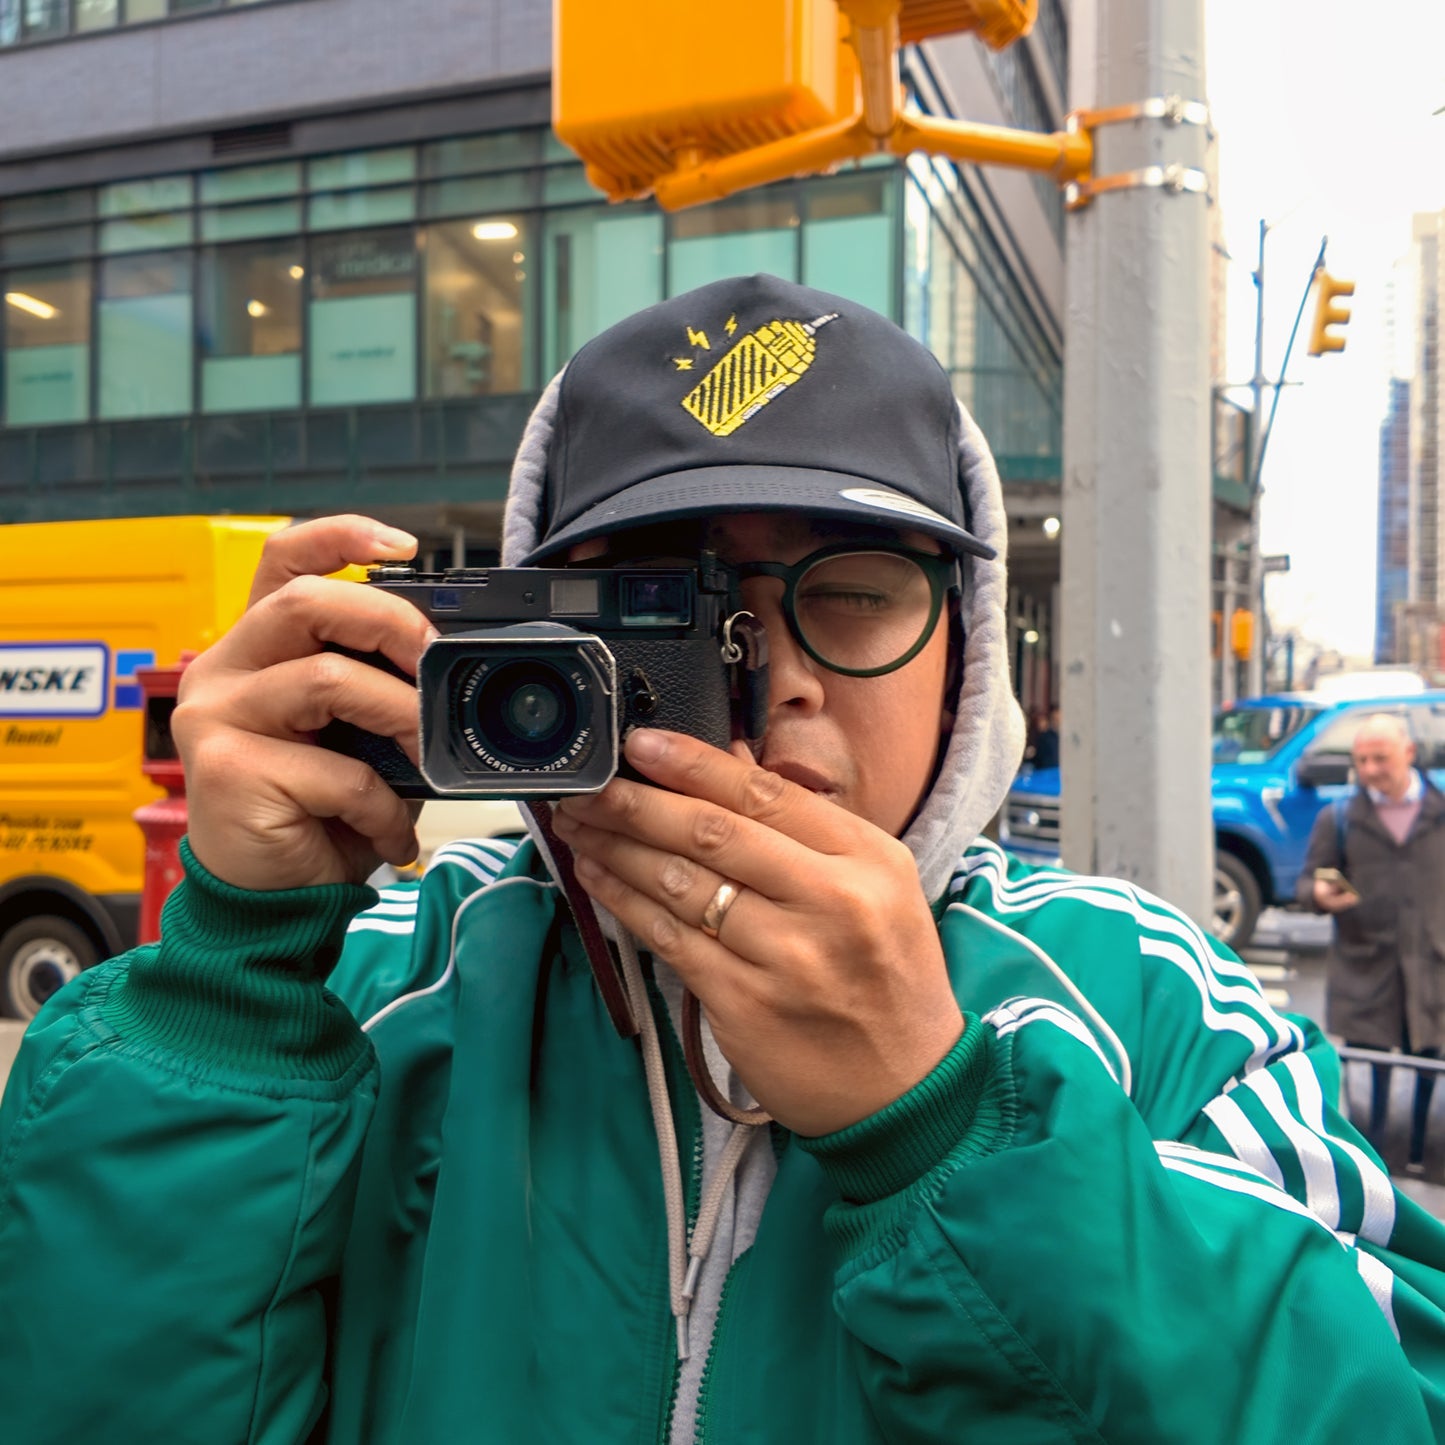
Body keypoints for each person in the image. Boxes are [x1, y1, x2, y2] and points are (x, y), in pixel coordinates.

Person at [3, 275, 1445, 1444]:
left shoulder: (1163, 1012)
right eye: (662, 616)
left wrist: (947, 1131)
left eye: (857, 591)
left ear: (967, 647)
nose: (772, 685)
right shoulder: (366, 1005)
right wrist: (232, 981)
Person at [1299, 712, 1445, 1174]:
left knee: (1430, 1057)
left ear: (1409, 753)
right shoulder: (1339, 817)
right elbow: (1308, 883)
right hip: (1368, 966)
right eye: (1361, 760)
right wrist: (1319, 895)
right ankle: (1375, 1161)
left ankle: (1424, 1151)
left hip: (1434, 965)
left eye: (1379, 758)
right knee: (1371, 1064)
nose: (1369, 770)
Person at [1029, 702, 1061, 770]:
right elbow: (1040, 759)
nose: (1058, 722)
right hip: (1047, 773)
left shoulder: (1064, 738)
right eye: (1056, 720)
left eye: (1059, 720)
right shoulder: (1044, 738)